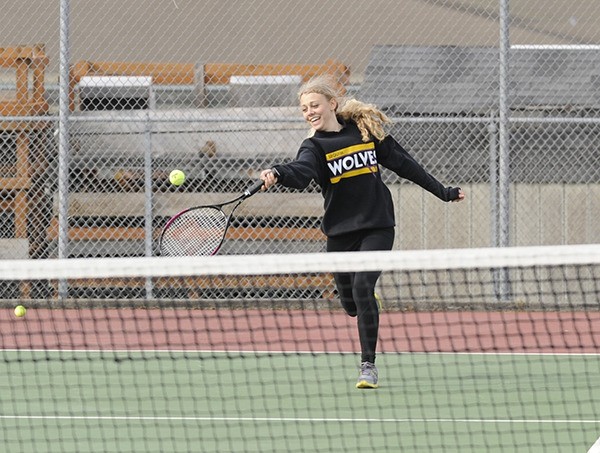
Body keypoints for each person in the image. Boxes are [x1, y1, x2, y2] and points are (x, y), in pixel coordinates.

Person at [259, 75, 465, 389]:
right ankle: (364, 300)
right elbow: (301, 172)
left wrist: (444, 192)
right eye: (304, 109)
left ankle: (367, 365)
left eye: (314, 105)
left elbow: (404, 164)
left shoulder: (364, 133)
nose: (309, 112)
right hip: (340, 232)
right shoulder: (313, 147)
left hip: (378, 225)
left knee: (362, 286)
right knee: (350, 303)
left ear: (332, 104)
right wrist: (278, 172)